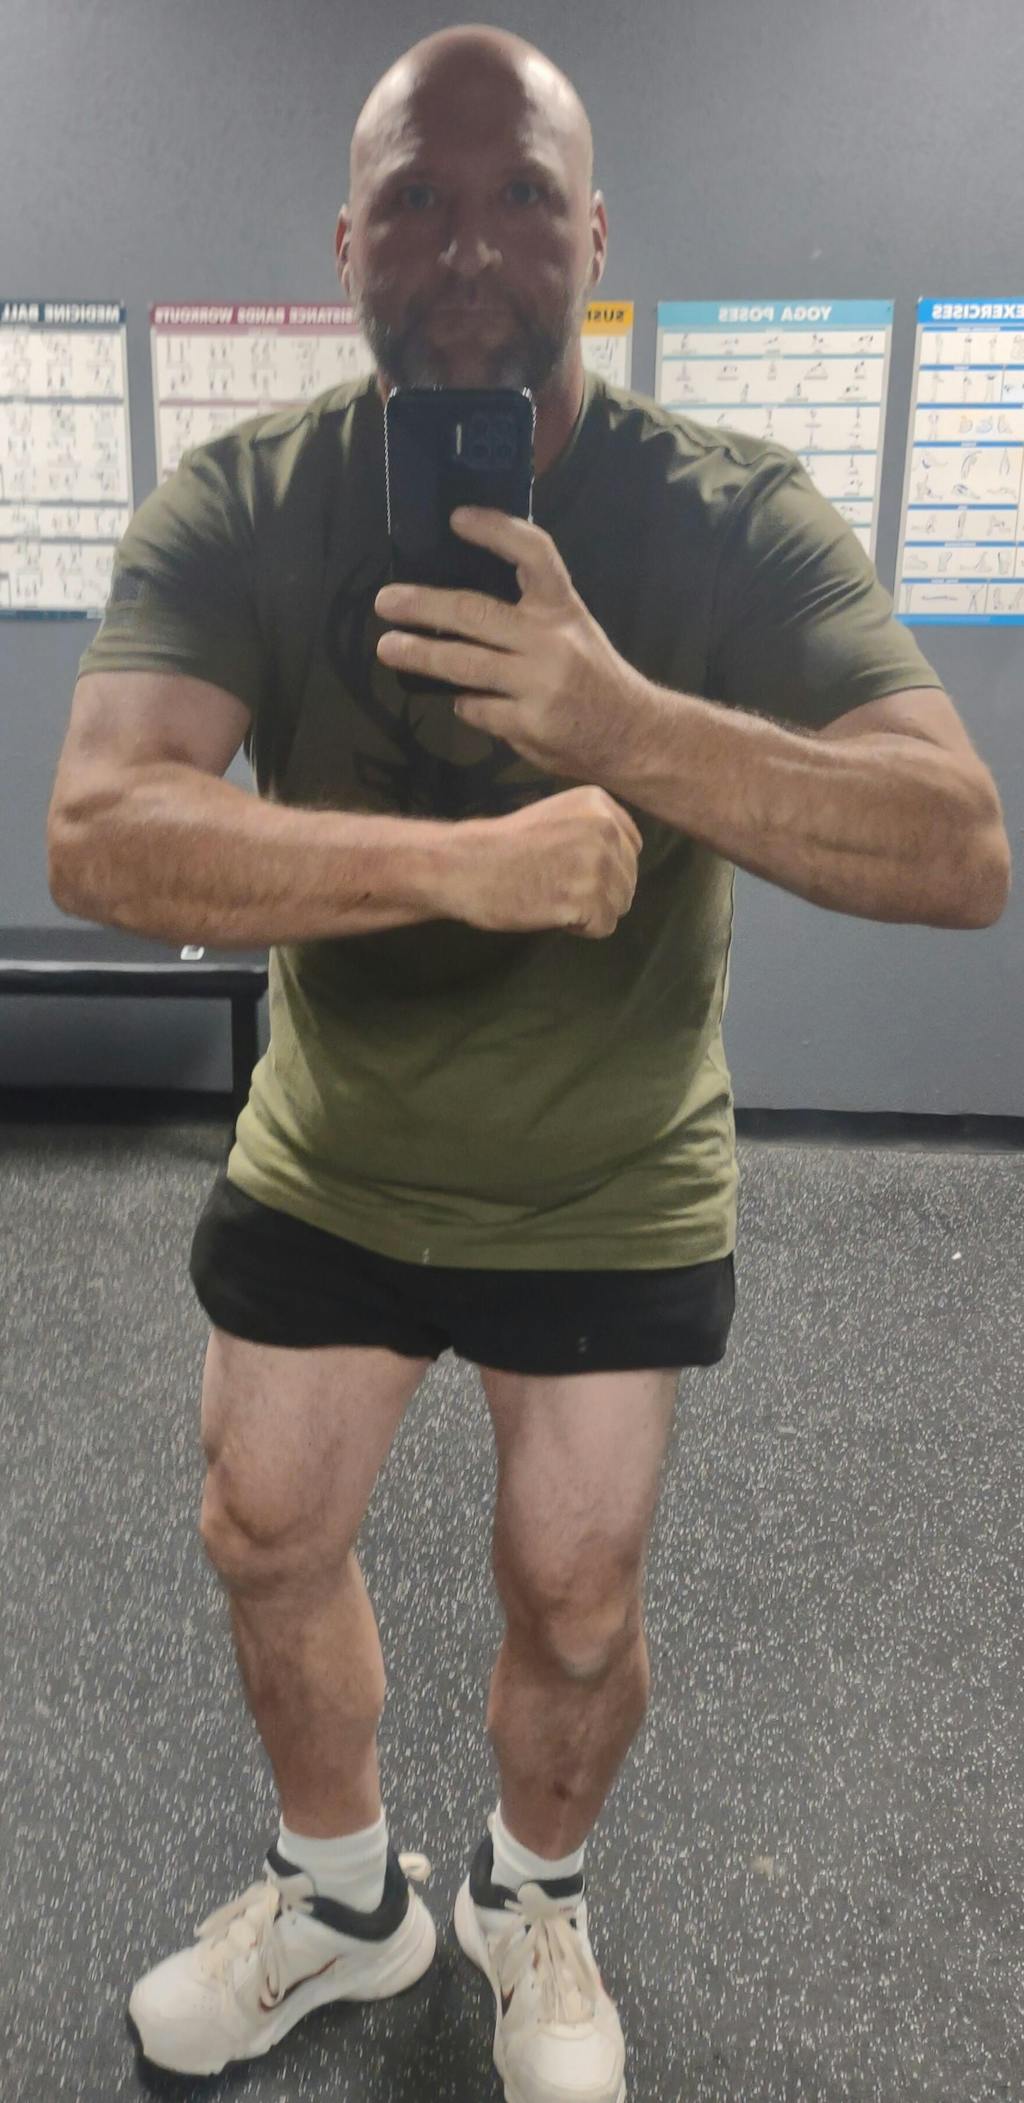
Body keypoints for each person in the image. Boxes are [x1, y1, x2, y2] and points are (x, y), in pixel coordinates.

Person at [47, 24, 1011, 2103]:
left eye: (517, 198)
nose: (466, 244)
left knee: (575, 1600)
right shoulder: (249, 498)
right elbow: (101, 832)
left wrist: (626, 723)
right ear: (345, 245)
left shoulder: (726, 515)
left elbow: (956, 849)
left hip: (608, 1169)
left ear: (594, 237)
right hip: (334, 1150)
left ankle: (527, 1894)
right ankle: (340, 1899)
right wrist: (459, 867)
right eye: (414, 198)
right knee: (261, 1526)